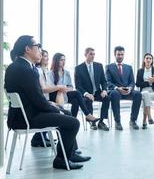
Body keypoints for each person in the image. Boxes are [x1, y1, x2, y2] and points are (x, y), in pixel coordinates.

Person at [4, 35, 85, 170]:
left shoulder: (15, 66)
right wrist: (55, 108)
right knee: (73, 122)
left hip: (20, 116)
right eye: (38, 46)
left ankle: (68, 154)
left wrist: (53, 106)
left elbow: (35, 97)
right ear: (27, 49)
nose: (40, 50)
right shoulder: (27, 70)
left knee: (66, 112)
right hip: (28, 118)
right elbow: (38, 100)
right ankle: (61, 160)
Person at [48, 53, 100, 129]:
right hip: (55, 96)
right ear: (56, 61)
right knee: (77, 93)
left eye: (64, 60)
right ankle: (87, 115)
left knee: (76, 100)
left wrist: (65, 89)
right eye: (61, 60)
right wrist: (60, 88)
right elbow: (51, 88)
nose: (63, 62)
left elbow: (71, 86)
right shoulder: (50, 73)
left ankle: (72, 122)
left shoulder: (67, 73)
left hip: (65, 94)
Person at [106, 46, 142, 130]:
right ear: (115, 54)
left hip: (127, 91)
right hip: (116, 91)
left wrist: (129, 88)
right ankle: (117, 122)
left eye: (122, 54)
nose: (120, 56)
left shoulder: (128, 67)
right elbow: (108, 82)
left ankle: (133, 120)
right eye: (118, 54)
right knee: (114, 94)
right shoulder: (109, 67)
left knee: (138, 94)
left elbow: (132, 82)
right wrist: (118, 88)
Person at [75, 47, 110, 131]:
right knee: (88, 99)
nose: (93, 56)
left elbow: (104, 81)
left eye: (94, 54)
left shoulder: (99, 66)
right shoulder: (79, 68)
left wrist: (104, 90)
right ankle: (92, 122)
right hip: (87, 92)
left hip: (97, 91)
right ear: (85, 55)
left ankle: (101, 121)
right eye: (90, 54)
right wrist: (86, 93)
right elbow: (78, 86)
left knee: (107, 98)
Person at [136, 53, 154, 129]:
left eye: (150, 58)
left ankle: (145, 121)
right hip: (144, 91)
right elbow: (137, 84)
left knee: (145, 98)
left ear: (152, 60)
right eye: (147, 58)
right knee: (145, 94)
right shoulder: (140, 71)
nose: (148, 60)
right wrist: (147, 82)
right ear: (144, 60)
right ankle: (149, 117)